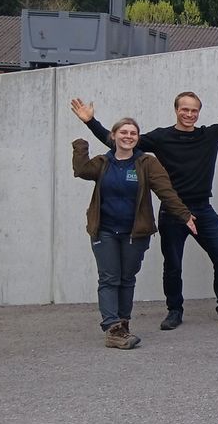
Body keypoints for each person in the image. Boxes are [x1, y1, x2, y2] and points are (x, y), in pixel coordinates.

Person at [71, 69, 218, 329]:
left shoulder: (210, 136)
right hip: (172, 210)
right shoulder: (161, 137)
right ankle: (174, 311)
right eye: (185, 109)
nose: (189, 114)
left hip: (202, 209)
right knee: (172, 264)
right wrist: (90, 121)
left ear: (199, 112)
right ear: (176, 110)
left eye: (194, 110)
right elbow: (120, 141)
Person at [72, 119, 196, 349]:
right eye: (124, 132)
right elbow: (81, 170)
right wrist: (80, 146)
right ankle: (112, 327)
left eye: (133, 133)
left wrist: (184, 215)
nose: (128, 136)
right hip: (105, 231)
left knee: (127, 278)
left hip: (135, 233)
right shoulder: (103, 162)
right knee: (109, 278)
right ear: (114, 136)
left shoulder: (147, 163)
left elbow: (165, 191)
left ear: (138, 138)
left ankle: (123, 323)